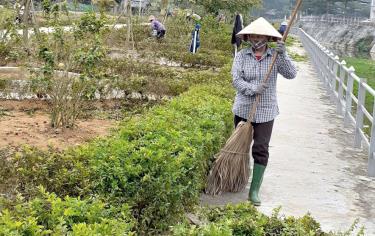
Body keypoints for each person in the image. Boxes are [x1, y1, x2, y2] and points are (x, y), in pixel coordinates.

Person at [232, 17, 297, 206]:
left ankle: (254, 190)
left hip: (266, 110)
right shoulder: (242, 56)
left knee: (260, 148)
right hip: (243, 107)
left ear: (268, 38)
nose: (256, 38)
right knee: (240, 146)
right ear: (248, 37)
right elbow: (236, 80)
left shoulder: (275, 55)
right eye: (253, 35)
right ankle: (237, 178)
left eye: (260, 35)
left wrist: (283, 54)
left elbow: (291, 74)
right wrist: (252, 89)